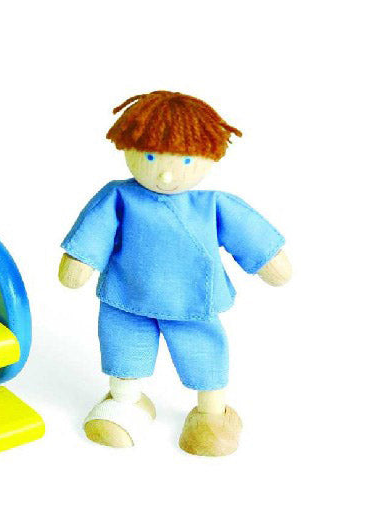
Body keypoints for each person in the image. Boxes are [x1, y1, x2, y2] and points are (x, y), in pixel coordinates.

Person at [58, 91, 292, 455]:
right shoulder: (118, 197)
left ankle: (212, 414)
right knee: (123, 349)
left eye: (184, 160)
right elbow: (94, 234)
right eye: (151, 157)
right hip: (127, 296)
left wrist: (268, 262)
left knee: (204, 354)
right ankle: (126, 403)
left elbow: (248, 235)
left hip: (191, 299)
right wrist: (80, 262)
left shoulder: (211, 204)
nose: (166, 174)